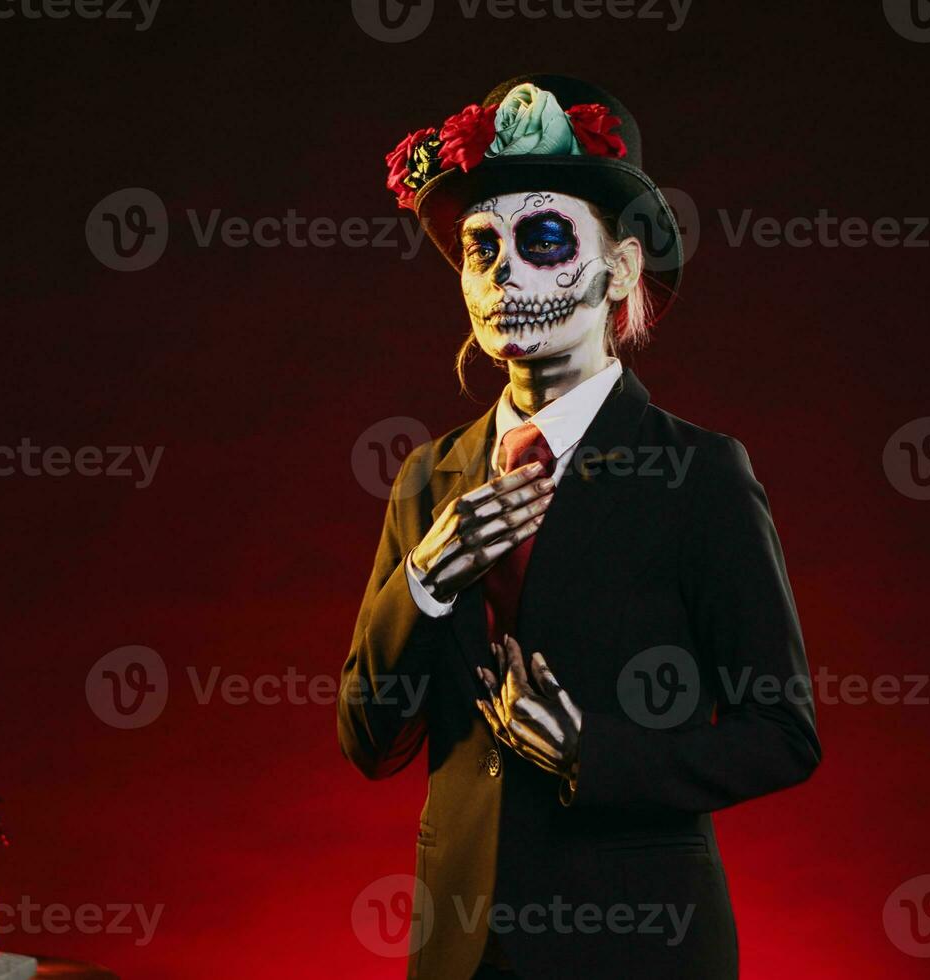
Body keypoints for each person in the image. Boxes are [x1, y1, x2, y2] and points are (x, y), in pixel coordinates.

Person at [339, 74, 822, 979]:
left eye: (545, 238)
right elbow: (368, 744)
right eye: (481, 248)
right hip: (458, 951)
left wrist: (592, 755)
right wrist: (425, 584)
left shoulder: (700, 475)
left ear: (622, 270)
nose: (503, 273)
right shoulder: (427, 478)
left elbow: (784, 733)